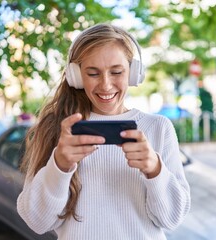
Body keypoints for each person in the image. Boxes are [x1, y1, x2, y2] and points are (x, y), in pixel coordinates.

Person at [17, 23, 191, 240]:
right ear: (76, 76)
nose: (106, 85)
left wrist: (155, 169)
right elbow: (37, 221)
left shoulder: (158, 128)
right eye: (93, 73)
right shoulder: (58, 129)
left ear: (134, 73)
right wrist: (59, 166)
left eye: (117, 72)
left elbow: (172, 219)